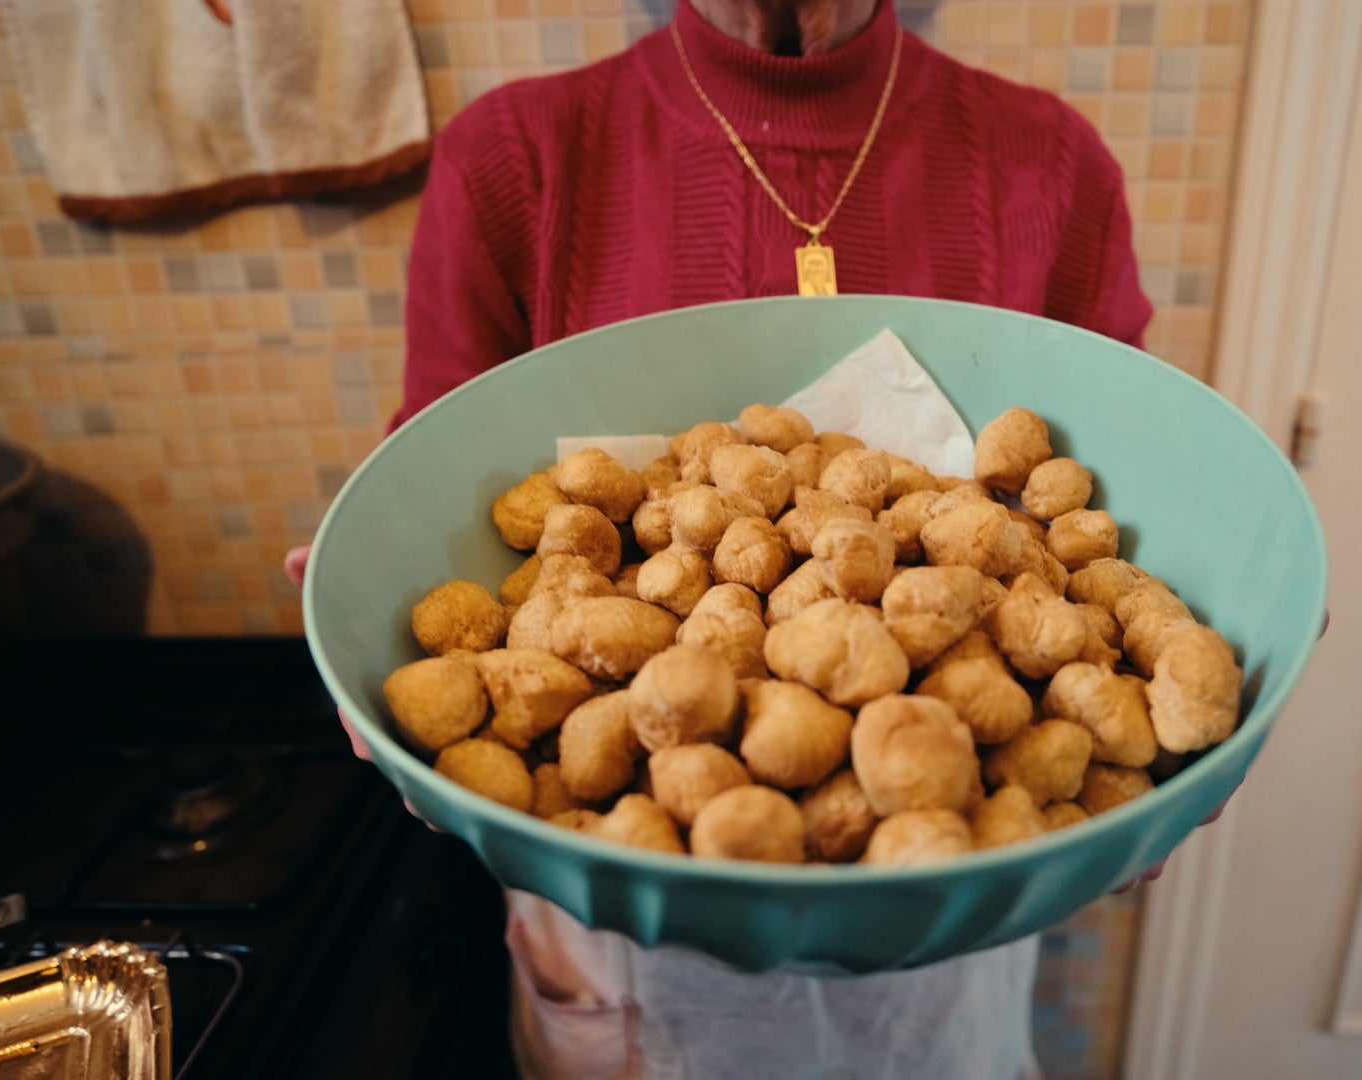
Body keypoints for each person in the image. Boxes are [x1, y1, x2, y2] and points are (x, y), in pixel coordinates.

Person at [285, 1, 1181, 1075]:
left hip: (943, 945)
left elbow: (1137, 504)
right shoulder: (511, 158)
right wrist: (360, 599)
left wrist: (1155, 790)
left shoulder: (1053, 166)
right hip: (621, 959)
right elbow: (438, 494)